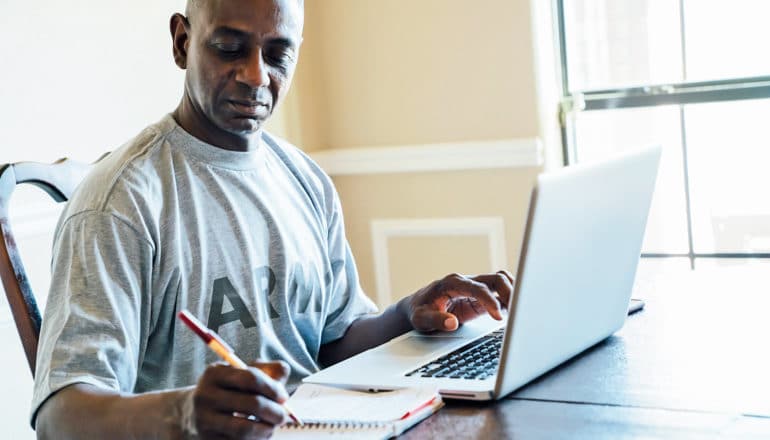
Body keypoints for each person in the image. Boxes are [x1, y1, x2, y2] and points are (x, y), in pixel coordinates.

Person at [31, 0, 514, 438]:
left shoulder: (305, 179)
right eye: (228, 47)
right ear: (182, 42)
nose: (257, 75)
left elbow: (331, 341)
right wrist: (183, 415)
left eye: (279, 53)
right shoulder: (121, 202)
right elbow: (60, 417)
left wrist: (406, 314)